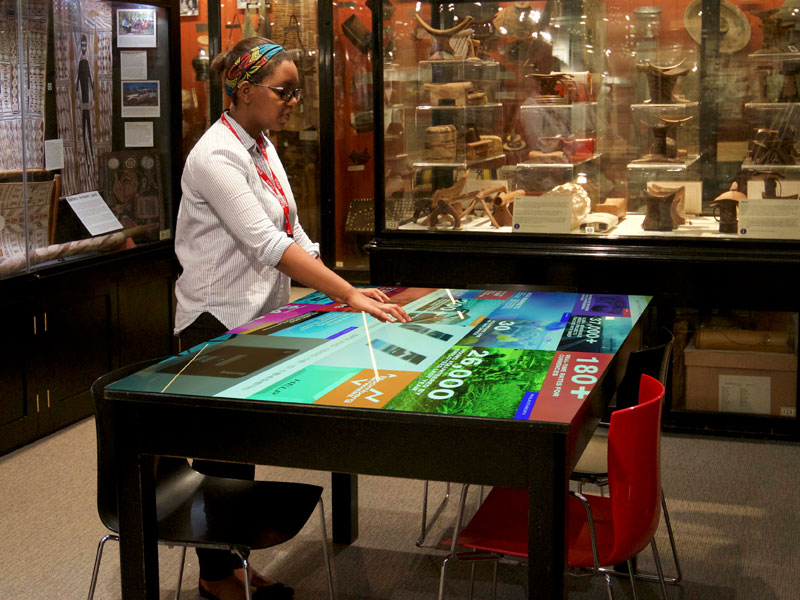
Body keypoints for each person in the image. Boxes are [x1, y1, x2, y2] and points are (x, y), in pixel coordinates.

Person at [175, 37, 410, 600]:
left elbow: (293, 232)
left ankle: (233, 561)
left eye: (296, 92)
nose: (292, 102)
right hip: (215, 320)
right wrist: (348, 294)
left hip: (258, 316)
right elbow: (264, 244)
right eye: (284, 91)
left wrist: (343, 289)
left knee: (243, 453)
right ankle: (214, 576)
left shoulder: (260, 144)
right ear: (245, 89)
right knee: (217, 460)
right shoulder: (215, 156)